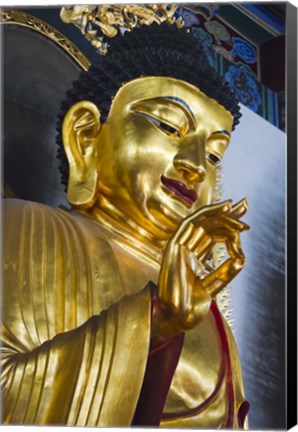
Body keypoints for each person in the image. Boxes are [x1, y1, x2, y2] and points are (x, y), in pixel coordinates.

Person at [2, 17, 250, 427]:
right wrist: (154, 325)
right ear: (85, 136)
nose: (194, 166)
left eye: (213, 155)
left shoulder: (210, 316)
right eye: (170, 126)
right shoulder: (22, 227)